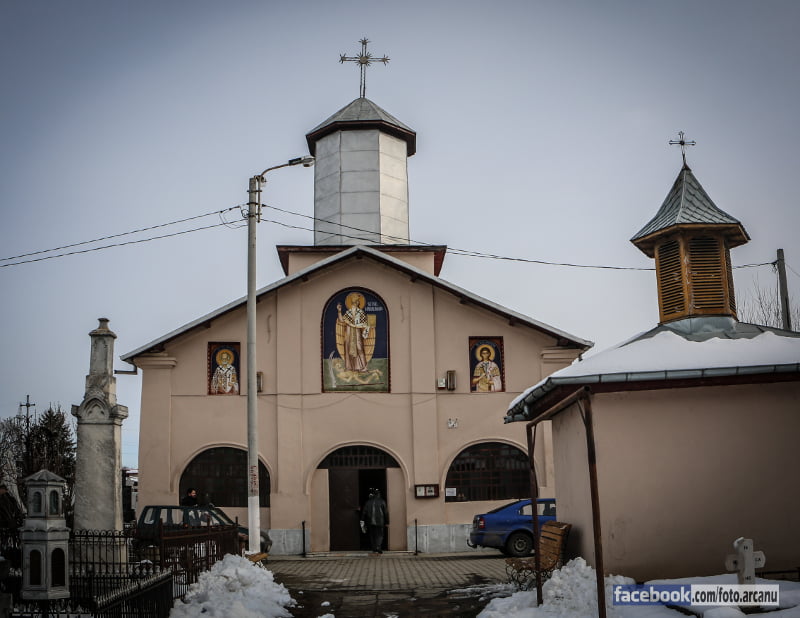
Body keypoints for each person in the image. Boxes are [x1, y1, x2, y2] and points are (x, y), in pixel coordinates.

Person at [337, 293, 370, 372]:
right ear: (353, 302)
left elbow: (365, 323)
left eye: (358, 301)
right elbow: (341, 320)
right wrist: (339, 311)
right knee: (348, 348)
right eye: (356, 301)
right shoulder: (348, 312)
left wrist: (361, 326)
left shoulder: (360, 312)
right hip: (349, 332)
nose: (358, 302)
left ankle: (363, 367)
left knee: (359, 348)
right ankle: (350, 367)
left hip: (357, 332)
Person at [361, 488, 388, 554]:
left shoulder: (368, 502)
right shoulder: (382, 501)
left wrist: (362, 520)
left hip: (370, 522)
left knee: (372, 535)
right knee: (380, 535)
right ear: (378, 494)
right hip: (380, 521)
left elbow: (364, 512)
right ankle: (378, 547)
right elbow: (385, 512)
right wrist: (387, 521)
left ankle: (374, 548)